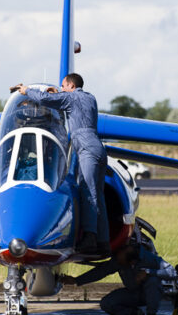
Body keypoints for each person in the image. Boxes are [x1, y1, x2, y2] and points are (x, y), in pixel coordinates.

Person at [11, 73, 108, 254]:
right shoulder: (90, 98)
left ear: (71, 85)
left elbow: (44, 98)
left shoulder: (70, 97)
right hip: (98, 148)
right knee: (98, 195)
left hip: (86, 147)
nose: (62, 89)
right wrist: (58, 94)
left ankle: (89, 239)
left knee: (88, 191)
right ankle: (104, 242)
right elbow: (65, 101)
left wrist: (26, 90)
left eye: (63, 86)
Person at [61, 242, 163, 315]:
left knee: (153, 281)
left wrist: (149, 272)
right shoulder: (120, 259)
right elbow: (101, 271)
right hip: (133, 293)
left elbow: (171, 271)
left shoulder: (149, 259)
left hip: (150, 294)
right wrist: (77, 280)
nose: (117, 262)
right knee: (106, 303)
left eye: (120, 262)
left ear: (131, 262)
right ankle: (133, 314)